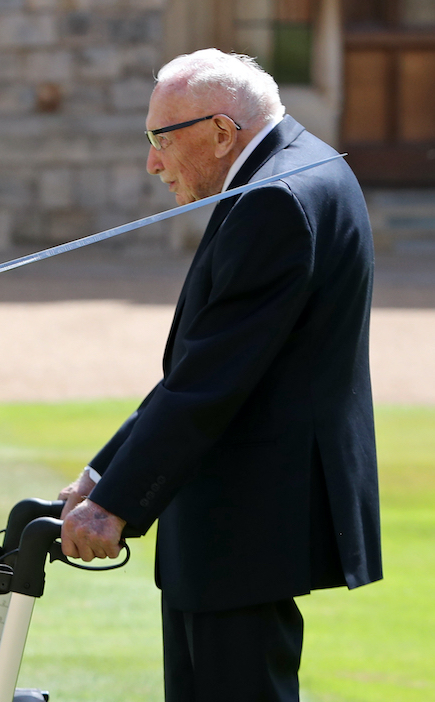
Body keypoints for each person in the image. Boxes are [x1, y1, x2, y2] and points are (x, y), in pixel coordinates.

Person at [57, 49, 382, 701]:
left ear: (222, 132)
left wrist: (115, 504)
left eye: (161, 141)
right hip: (243, 512)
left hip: (244, 518)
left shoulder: (275, 200)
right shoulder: (302, 165)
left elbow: (212, 379)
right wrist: (101, 475)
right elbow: (205, 364)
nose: (152, 163)